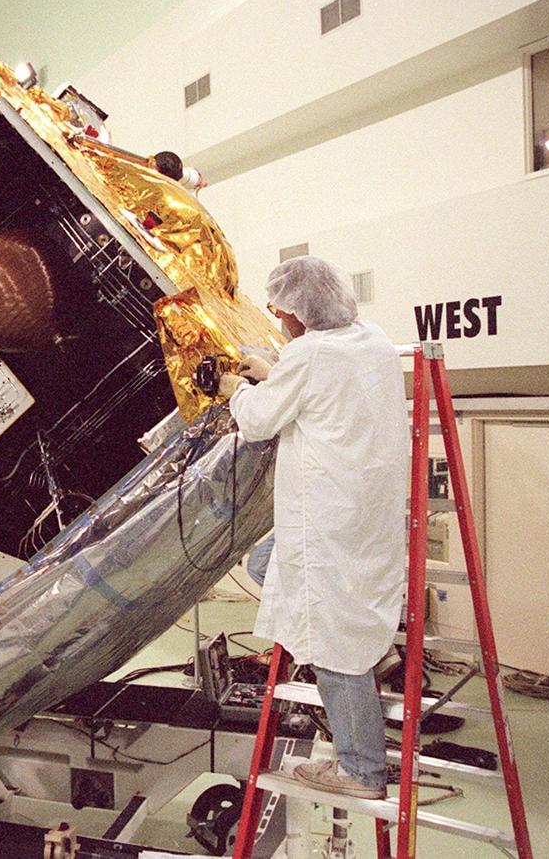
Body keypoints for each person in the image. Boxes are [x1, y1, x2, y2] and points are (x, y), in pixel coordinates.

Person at [218, 257, 406, 800]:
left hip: (327, 520)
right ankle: (377, 654)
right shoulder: (371, 340)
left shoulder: (310, 354)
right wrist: (274, 372)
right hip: (363, 512)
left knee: (330, 638)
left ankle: (361, 771)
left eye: (280, 313)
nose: (280, 321)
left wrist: (236, 389)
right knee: (268, 566)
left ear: (300, 314)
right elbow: (322, 384)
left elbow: (257, 421)